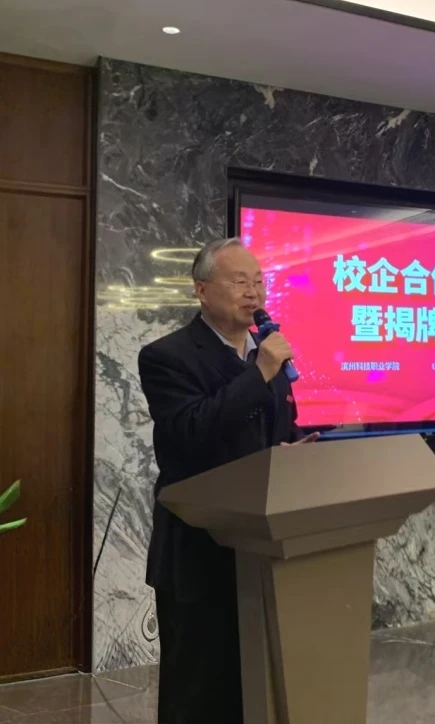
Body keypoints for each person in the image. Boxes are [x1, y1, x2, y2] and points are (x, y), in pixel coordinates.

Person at [138, 237, 318, 723]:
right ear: (201, 290)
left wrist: (294, 450)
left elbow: (277, 430)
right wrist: (260, 371)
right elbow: (190, 433)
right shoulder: (166, 356)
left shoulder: (267, 356)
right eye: (239, 281)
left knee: (255, 689)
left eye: (258, 281)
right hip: (200, 550)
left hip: (263, 546)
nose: (253, 292)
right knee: (198, 692)